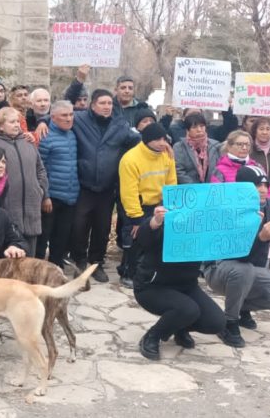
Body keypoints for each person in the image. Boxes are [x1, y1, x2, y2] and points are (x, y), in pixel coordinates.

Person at [202, 165, 270, 347]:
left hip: (253, 271)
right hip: (219, 270)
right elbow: (237, 255)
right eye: (256, 185)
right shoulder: (227, 210)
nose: (262, 189)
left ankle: (243, 307)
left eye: (265, 184)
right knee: (242, 269)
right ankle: (229, 323)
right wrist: (260, 238)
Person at [133, 206, 225, 360]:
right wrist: (155, 221)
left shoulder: (203, 230)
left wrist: (250, 221)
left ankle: (178, 326)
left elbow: (227, 234)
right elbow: (143, 238)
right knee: (189, 309)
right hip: (152, 287)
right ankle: (153, 336)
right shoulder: (166, 225)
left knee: (216, 322)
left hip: (186, 286)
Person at [69, 89, 141, 283]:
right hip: (83, 185)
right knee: (79, 226)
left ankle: (96, 263)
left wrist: (162, 141)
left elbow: (139, 141)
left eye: (110, 103)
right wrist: (42, 122)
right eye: (102, 103)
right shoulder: (79, 119)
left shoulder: (120, 124)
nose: (107, 106)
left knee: (102, 228)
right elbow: (60, 111)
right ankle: (80, 260)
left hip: (107, 187)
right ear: (93, 105)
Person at [118, 123, 177, 287]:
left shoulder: (167, 155)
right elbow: (129, 192)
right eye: (157, 139)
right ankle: (127, 272)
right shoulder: (130, 159)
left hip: (156, 204)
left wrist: (170, 204)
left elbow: (171, 181)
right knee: (134, 239)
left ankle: (147, 272)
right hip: (136, 205)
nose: (162, 143)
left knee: (154, 240)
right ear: (147, 140)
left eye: (164, 139)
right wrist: (136, 218)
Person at [0, 107, 49, 256]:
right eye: (11, 122)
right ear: (1, 125)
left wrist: (40, 191)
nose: (16, 125)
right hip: (8, 209)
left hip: (31, 209)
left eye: (18, 121)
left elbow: (40, 169)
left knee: (30, 259)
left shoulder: (29, 143)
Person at [38, 101, 80, 269]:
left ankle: (56, 269)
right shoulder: (45, 136)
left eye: (71, 114)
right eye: (64, 115)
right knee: (44, 236)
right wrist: (45, 195)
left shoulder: (72, 135)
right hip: (51, 197)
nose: (69, 118)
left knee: (62, 237)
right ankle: (39, 269)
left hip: (70, 196)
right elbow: (39, 169)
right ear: (53, 118)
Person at [209, 130, 270, 194]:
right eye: (239, 144)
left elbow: (269, 191)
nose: (244, 148)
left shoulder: (257, 166)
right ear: (229, 146)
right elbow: (216, 195)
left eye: (247, 144)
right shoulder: (219, 170)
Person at [173, 113, 222, 184]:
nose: (199, 130)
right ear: (187, 130)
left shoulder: (215, 145)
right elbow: (178, 170)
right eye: (194, 127)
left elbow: (219, 168)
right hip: (190, 190)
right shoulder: (179, 147)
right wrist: (195, 188)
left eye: (202, 126)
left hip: (212, 189)